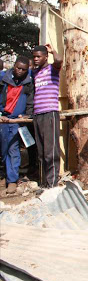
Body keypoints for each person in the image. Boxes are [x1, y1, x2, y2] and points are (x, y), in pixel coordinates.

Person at [0, 56, 34, 194]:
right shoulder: (3, 79)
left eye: (23, 69)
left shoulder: (28, 82)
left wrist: (27, 114)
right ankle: (6, 175)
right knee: (3, 149)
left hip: (16, 121)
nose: (20, 71)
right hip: (3, 119)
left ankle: (12, 180)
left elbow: (31, 100)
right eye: (18, 68)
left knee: (13, 150)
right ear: (13, 66)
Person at [32, 44, 63, 189]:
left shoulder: (53, 69)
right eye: (34, 57)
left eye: (38, 56)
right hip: (37, 114)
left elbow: (59, 60)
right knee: (41, 152)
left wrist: (53, 51)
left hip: (50, 113)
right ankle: (44, 183)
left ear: (45, 57)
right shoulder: (36, 73)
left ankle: (52, 184)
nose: (36, 59)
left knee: (51, 151)